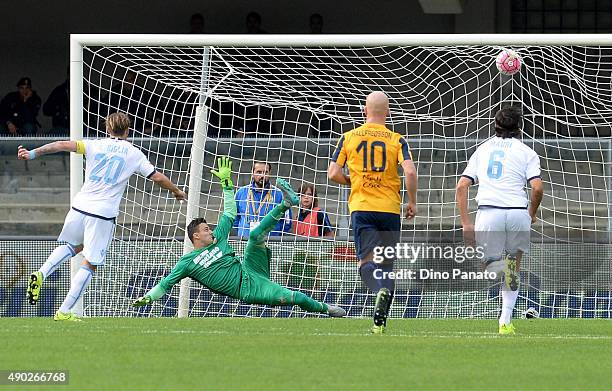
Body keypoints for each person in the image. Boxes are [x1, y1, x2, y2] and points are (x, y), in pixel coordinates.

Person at [19, 112, 186, 321]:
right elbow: (157, 177)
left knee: (73, 245)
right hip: (103, 213)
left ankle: (42, 273)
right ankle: (64, 311)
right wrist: (176, 191)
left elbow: (61, 144)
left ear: (107, 129)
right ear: (128, 130)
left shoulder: (93, 145)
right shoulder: (134, 153)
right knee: (90, 262)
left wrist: (32, 154)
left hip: (80, 206)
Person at [132, 157, 346, 318]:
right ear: (195, 236)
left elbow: (230, 212)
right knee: (296, 297)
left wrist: (227, 185)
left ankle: (286, 203)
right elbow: (166, 283)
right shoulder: (187, 263)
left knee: (254, 236)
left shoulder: (219, 237)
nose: (210, 231)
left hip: (249, 266)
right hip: (249, 288)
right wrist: (148, 297)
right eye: (206, 230)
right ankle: (327, 309)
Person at [328, 91, 417, 334]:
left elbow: (333, 172)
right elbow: (410, 172)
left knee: (365, 263)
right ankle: (380, 323)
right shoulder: (397, 139)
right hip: (389, 209)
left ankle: (378, 290)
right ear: (387, 112)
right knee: (387, 265)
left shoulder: (348, 137)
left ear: (364, 111)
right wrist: (413, 202)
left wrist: (354, 180)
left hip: (362, 207)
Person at [456, 106, 543, 335]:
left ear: (495, 124)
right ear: (519, 127)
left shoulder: (482, 150)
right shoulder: (527, 152)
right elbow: (537, 187)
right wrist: (531, 212)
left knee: (488, 265)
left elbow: (462, 185)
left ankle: (505, 318)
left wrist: (466, 222)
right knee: (513, 267)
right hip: (517, 212)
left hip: (489, 212)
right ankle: (505, 321)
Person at [234, 161, 292, 238]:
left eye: (265, 172)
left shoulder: (279, 194)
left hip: (270, 243)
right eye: (259, 172)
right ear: (252, 173)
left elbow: (287, 221)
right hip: (245, 241)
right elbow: (234, 218)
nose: (262, 175)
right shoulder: (241, 193)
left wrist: (275, 235)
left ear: (269, 173)